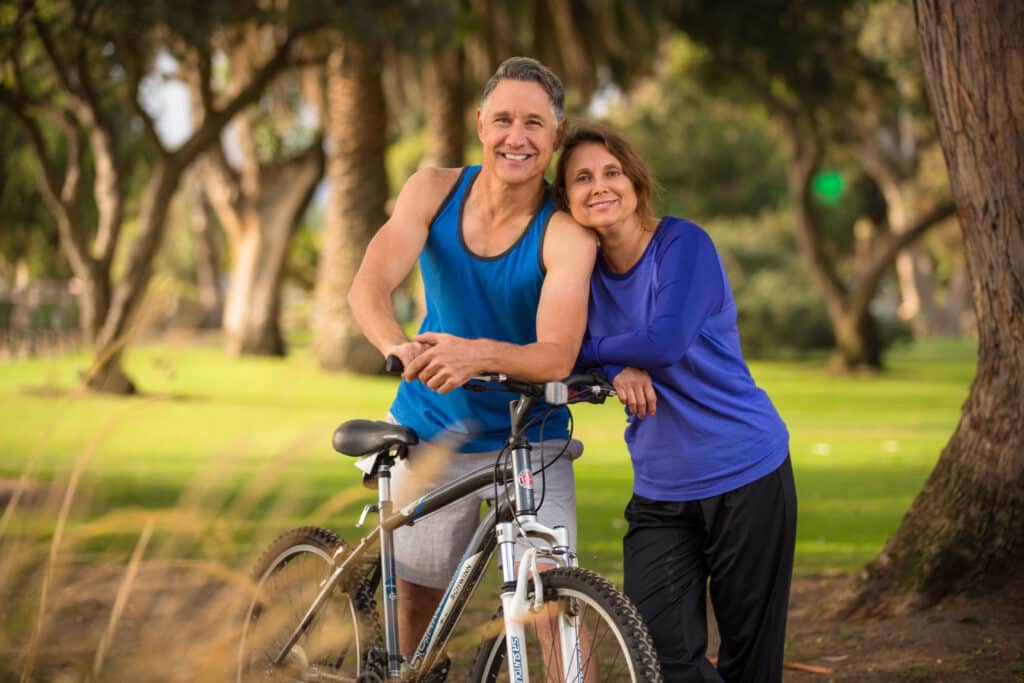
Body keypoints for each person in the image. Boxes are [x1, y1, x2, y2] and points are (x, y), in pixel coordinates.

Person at [347, 57, 597, 658]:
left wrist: (477, 355)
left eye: (534, 124)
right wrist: (396, 346)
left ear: (556, 137)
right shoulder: (432, 189)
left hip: (532, 438)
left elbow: (556, 356)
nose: (518, 136)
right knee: (415, 601)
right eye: (505, 119)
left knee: (552, 606)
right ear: (481, 123)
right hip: (433, 432)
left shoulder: (564, 232)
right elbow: (369, 285)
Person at [554, 122, 797, 683]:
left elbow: (664, 341)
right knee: (660, 653)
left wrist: (594, 354)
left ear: (636, 181)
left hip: (746, 473)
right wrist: (615, 365)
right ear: (565, 200)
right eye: (581, 179)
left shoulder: (683, 244)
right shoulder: (579, 272)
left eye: (611, 172)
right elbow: (553, 348)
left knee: (749, 660)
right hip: (661, 490)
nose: (599, 187)